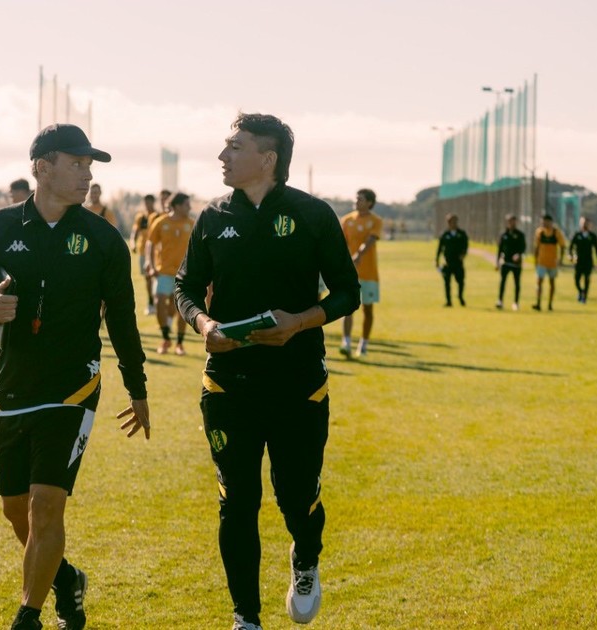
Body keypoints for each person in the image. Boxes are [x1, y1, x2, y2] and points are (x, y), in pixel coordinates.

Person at [0, 123, 150, 630]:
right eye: (77, 164)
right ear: (42, 168)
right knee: (15, 510)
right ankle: (66, 579)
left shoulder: (103, 238)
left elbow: (123, 319)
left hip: (74, 387)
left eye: (90, 166)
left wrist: (137, 388)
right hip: (13, 386)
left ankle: (29, 616)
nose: (87, 175)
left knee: (46, 506)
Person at [175, 113, 359, 630]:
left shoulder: (312, 214)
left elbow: (347, 292)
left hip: (298, 384)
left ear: (268, 158)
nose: (223, 156)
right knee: (236, 500)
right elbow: (186, 287)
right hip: (227, 383)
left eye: (235, 147)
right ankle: (246, 618)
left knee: (296, 497)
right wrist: (204, 323)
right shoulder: (212, 217)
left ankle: (305, 557)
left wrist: (298, 323)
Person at [143, 192, 195, 354]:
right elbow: (150, 243)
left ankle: (179, 344)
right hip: (164, 271)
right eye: (187, 205)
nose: (190, 207)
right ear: (177, 206)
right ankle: (166, 339)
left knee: (181, 308)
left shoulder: (192, 223)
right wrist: (150, 264)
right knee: (159, 302)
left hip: (185, 273)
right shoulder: (161, 222)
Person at [340, 188, 383, 357]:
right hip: (349, 273)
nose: (356, 201)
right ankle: (346, 342)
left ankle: (363, 344)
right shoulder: (347, 220)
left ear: (370, 203)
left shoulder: (376, 221)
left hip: (369, 273)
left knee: (368, 310)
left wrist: (358, 255)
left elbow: (371, 240)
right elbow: (341, 244)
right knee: (347, 308)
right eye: (356, 198)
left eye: (361, 199)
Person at [130, 193, 159, 315]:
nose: (148, 205)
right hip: (143, 251)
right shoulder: (141, 217)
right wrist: (133, 243)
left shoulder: (158, 216)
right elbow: (134, 232)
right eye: (146, 202)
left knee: (156, 277)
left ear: (153, 202)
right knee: (147, 278)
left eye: (150, 202)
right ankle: (151, 302)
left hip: (156, 252)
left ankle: (157, 302)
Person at [532, 214, 567, 311]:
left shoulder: (556, 232)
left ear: (550, 222)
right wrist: (535, 260)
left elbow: (562, 246)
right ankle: (538, 303)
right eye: (543, 222)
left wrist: (560, 260)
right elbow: (537, 247)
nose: (544, 223)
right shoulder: (540, 232)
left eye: (546, 222)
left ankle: (550, 304)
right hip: (541, 261)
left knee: (552, 282)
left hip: (552, 262)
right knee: (539, 282)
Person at [434, 213, 469, 307]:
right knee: (447, 282)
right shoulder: (445, 235)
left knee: (460, 281)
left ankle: (460, 297)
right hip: (448, 262)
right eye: (451, 222)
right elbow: (440, 248)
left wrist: (463, 254)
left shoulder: (462, 234)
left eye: (454, 221)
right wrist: (437, 260)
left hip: (458, 262)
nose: (453, 223)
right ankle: (448, 301)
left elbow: (466, 246)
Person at [569, 216, 597, 304]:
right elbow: (570, 247)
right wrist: (571, 256)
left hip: (588, 261)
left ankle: (584, 297)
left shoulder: (592, 236)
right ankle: (581, 291)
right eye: (583, 223)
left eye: (587, 223)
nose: (585, 225)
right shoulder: (577, 235)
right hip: (579, 261)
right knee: (576, 280)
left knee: (587, 279)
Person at [495, 214, 525, 310]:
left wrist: (518, 255)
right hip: (506, 262)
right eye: (509, 221)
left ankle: (516, 303)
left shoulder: (520, 235)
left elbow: (523, 247)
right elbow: (500, 249)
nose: (511, 223)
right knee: (503, 282)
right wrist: (497, 262)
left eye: (513, 221)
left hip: (516, 264)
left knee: (517, 283)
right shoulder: (504, 235)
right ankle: (500, 301)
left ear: (516, 222)